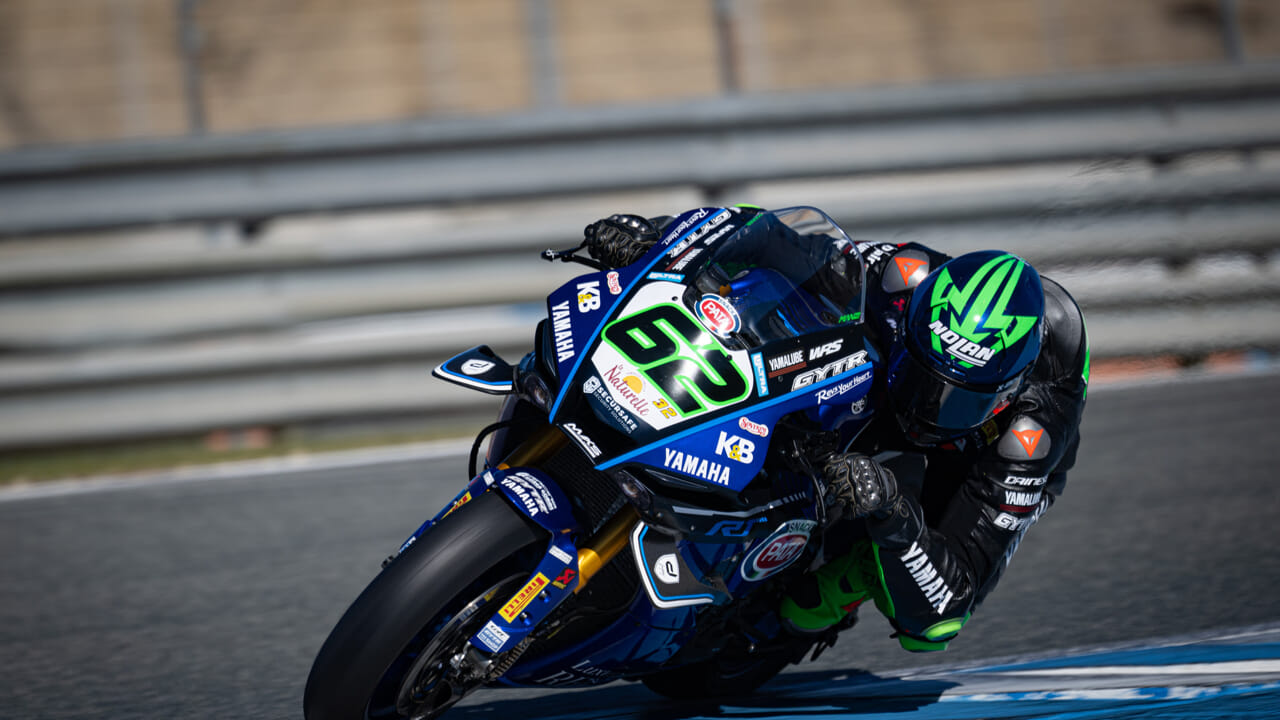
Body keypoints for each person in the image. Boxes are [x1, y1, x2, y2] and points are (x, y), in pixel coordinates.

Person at [580, 209, 1089, 653]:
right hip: (880, 384)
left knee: (914, 614)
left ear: (1005, 393)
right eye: (922, 379)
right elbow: (775, 241)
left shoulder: (1032, 431)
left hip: (960, 461)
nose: (928, 408)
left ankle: (829, 590)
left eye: (956, 400)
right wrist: (659, 240)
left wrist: (892, 510)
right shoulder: (899, 277)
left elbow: (946, 606)